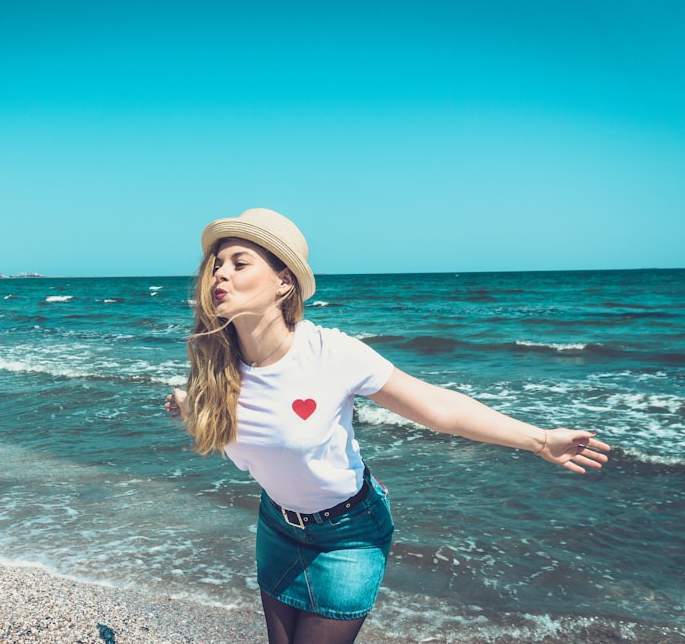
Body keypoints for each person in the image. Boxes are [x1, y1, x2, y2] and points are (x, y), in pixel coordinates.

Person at [164, 208, 610, 644]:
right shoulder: (215, 365)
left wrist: (540, 440)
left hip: (348, 534)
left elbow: (437, 407)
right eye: (217, 264)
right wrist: (189, 405)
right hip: (276, 526)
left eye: (239, 263)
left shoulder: (331, 354)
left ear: (284, 283)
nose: (219, 274)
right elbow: (231, 420)